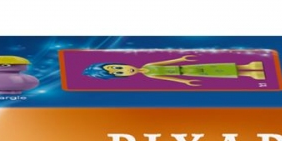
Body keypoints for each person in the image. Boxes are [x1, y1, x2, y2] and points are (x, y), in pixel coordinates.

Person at [83, 55, 266, 87]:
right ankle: (250, 73)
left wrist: (182, 59)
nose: (123, 70)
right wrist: (185, 81)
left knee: (218, 66)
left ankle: (250, 65)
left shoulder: (149, 66)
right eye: (118, 72)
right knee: (217, 73)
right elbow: (169, 79)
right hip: (188, 73)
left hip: (186, 67)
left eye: (118, 67)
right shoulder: (150, 74)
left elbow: (167, 62)